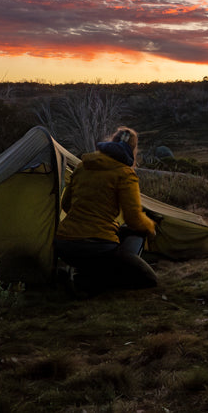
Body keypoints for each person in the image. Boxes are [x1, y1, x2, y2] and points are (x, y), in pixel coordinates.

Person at [54, 126, 159, 296]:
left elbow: (66, 204)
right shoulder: (125, 174)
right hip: (97, 247)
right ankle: (89, 282)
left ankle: (79, 273)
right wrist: (150, 228)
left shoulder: (82, 166)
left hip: (65, 244)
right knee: (149, 278)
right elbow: (133, 219)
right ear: (132, 149)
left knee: (117, 233)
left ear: (111, 142)